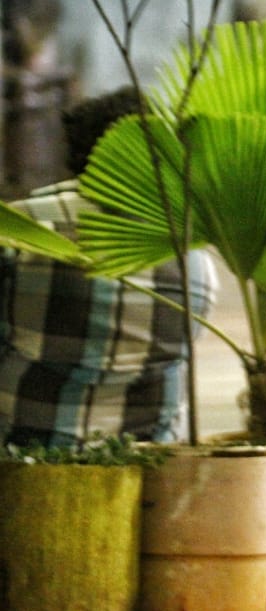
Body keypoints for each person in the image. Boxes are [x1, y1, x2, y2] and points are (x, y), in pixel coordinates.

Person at [0, 86, 218, 447]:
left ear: (76, 152)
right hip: (148, 455)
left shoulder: (24, 225)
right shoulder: (192, 252)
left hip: (24, 450)